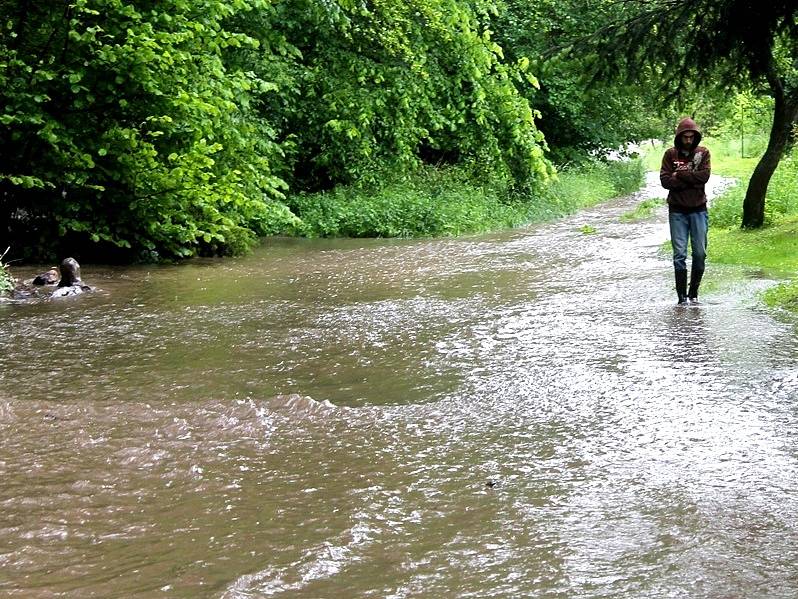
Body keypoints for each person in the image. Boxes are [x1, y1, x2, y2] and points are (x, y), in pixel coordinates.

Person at [660, 117, 711, 304]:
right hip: (677, 210)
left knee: (699, 253)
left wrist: (679, 175)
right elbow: (665, 181)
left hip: (698, 209)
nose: (688, 141)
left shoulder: (703, 153)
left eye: (691, 137)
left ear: (695, 137)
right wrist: (691, 178)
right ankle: (681, 298)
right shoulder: (670, 154)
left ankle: (694, 293)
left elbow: (704, 176)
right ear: (679, 137)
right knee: (679, 254)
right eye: (685, 137)